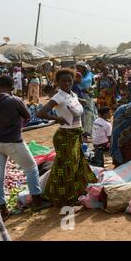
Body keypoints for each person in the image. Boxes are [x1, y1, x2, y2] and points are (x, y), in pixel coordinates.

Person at [37, 69, 97, 207]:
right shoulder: (58, 97)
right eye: (63, 81)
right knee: (67, 168)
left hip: (75, 134)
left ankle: (74, 192)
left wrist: (82, 100)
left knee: (75, 164)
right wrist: (57, 118)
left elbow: (76, 101)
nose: (67, 83)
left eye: (70, 80)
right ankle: (65, 197)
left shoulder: (72, 93)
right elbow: (41, 113)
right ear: (57, 82)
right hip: (65, 136)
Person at [0, 76, 50, 221]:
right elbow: (27, 115)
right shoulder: (14, 100)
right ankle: (37, 201)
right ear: (13, 87)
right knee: (31, 168)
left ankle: (2, 209)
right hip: (13, 142)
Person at [76, 62, 98, 136]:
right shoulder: (77, 75)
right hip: (80, 96)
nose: (78, 69)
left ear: (84, 68)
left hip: (89, 96)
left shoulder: (90, 74)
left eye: (80, 67)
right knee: (82, 114)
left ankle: (89, 131)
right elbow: (74, 86)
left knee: (89, 113)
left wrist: (92, 87)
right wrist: (82, 90)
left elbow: (95, 84)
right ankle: (83, 131)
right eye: (77, 67)